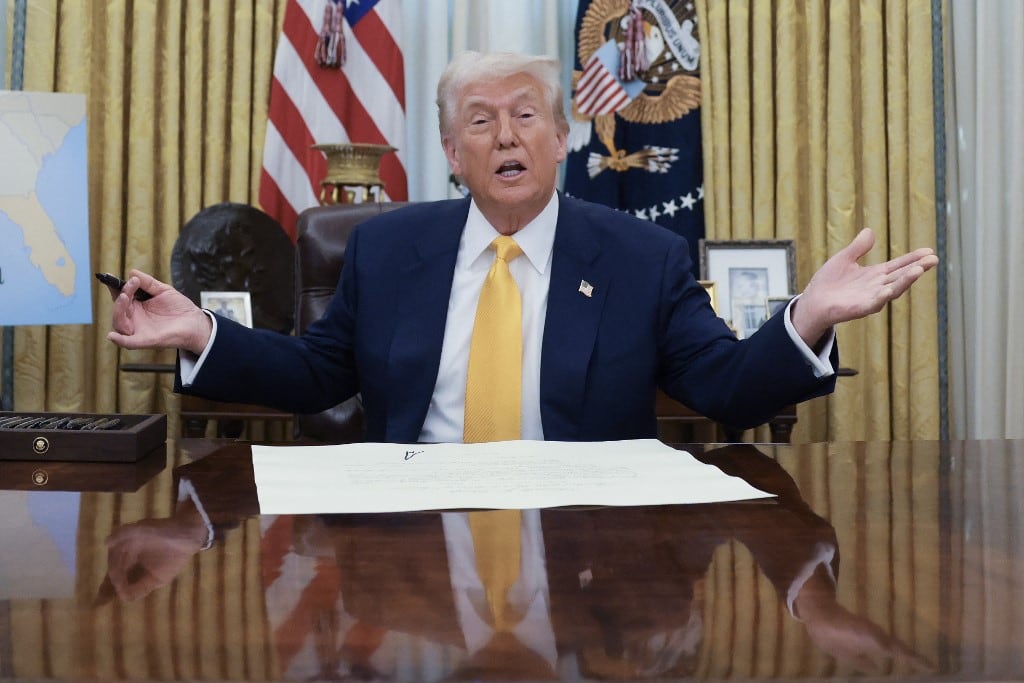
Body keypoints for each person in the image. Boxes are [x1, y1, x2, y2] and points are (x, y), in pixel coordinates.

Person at [106, 51, 938, 443]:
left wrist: (810, 318)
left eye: (526, 114)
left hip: (585, 532)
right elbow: (320, 372)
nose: (506, 134)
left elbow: (725, 387)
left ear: (561, 137)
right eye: (481, 118)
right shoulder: (389, 249)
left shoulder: (641, 257)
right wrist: (198, 333)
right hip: (413, 525)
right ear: (451, 148)